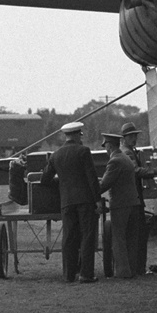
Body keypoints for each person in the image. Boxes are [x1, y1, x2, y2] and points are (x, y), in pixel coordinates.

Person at [41, 121, 102, 283]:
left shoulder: (56, 155)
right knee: (87, 236)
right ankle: (86, 274)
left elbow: (44, 180)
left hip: (66, 202)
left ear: (66, 136)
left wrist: (61, 183)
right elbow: (91, 178)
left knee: (68, 237)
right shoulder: (83, 151)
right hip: (85, 201)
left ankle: (69, 274)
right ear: (76, 135)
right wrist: (98, 200)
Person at [98, 132, 142, 278]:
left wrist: (91, 188)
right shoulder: (126, 158)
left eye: (106, 147)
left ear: (109, 146)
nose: (106, 150)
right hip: (133, 203)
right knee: (131, 238)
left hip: (121, 205)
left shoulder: (115, 161)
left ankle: (123, 272)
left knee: (119, 239)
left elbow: (104, 184)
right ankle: (132, 270)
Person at [120, 121, 157, 274]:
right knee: (137, 235)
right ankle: (138, 268)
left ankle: (138, 267)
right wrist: (155, 171)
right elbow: (135, 171)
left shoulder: (130, 150)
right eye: (131, 136)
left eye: (135, 135)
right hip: (135, 199)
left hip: (135, 199)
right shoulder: (128, 152)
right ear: (124, 138)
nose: (134, 138)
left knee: (137, 234)